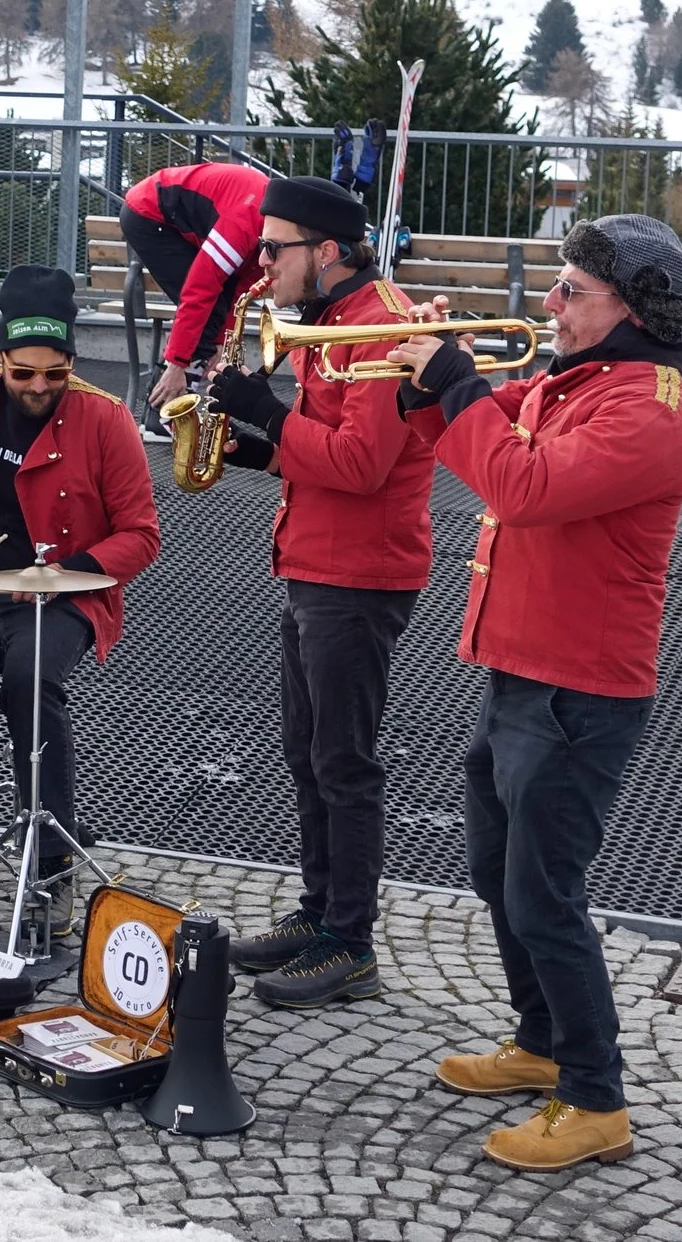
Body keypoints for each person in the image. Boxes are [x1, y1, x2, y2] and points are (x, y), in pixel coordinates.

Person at [386, 214, 682, 1173]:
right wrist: (423, 378)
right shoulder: (578, 383)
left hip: (579, 689)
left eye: (573, 291)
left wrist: (457, 383)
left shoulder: (648, 405)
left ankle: (596, 1096)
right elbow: (470, 436)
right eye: (558, 286)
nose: (551, 305)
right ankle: (539, 1041)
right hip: (521, 670)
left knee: (544, 895)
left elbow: (519, 486)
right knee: (496, 871)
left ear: (632, 309)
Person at [194, 177, 436, 1010]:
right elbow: (323, 450)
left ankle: (350, 940)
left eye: (275, 247)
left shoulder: (380, 326)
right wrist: (256, 452)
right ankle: (319, 910)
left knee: (344, 761)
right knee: (307, 752)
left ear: (326, 251)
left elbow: (362, 466)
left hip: (358, 572)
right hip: (315, 561)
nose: (261, 265)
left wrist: (266, 412)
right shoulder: (327, 321)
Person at [0, 267, 160, 915]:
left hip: (61, 596)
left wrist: (67, 570)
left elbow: (141, 534)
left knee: (30, 674)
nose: (40, 386)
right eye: (23, 374)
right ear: (0, 360)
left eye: (56, 372)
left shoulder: (106, 420)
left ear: (72, 361)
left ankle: (50, 855)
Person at [121, 159, 271, 414]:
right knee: (208, 306)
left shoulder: (268, 234)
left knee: (214, 313)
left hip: (181, 217)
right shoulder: (243, 225)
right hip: (149, 213)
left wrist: (221, 342)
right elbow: (199, 291)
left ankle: (165, 408)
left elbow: (239, 292)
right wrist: (177, 363)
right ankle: (166, 412)